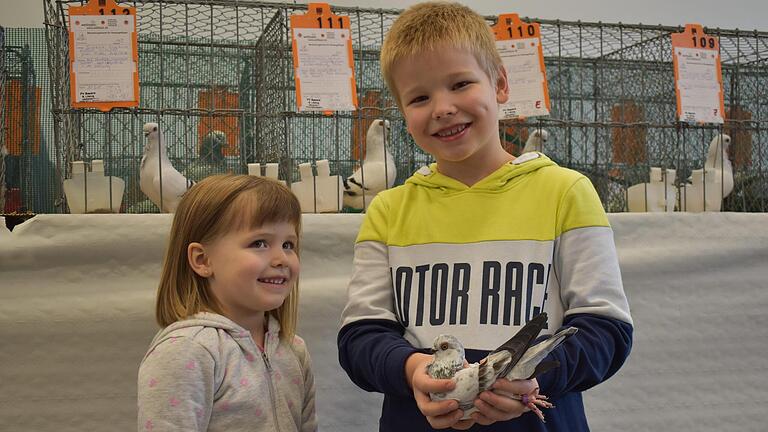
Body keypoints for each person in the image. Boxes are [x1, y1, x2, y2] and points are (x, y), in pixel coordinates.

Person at [337, 2, 633, 431]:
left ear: (499, 83)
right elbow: (361, 337)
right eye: (419, 97)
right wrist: (412, 369)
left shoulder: (566, 192)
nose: (442, 107)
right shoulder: (388, 210)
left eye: (460, 84)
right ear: (403, 112)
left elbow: (606, 329)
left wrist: (533, 377)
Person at [138, 174, 317, 432]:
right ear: (202, 260)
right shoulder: (186, 351)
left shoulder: (294, 349)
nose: (282, 259)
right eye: (260, 243)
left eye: (288, 244)